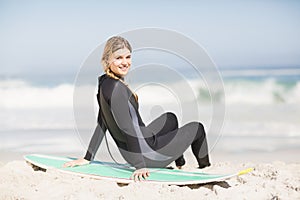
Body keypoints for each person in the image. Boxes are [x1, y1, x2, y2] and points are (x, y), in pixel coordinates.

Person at [63, 36, 211, 181]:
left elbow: (102, 123)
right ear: (108, 60)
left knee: (170, 118)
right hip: (147, 154)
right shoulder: (116, 88)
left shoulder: (105, 83)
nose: (125, 62)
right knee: (197, 128)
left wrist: (88, 157)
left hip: (142, 145)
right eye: (119, 58)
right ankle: (205, 167)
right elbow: (128, 128)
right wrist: (140, 165)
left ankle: (180, 164)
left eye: (128, 57)